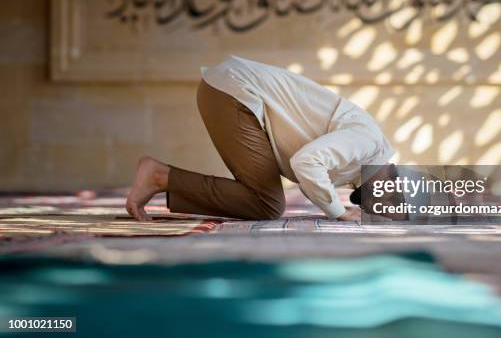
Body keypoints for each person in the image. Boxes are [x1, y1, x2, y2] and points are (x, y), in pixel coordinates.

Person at [126, 56, 396, 222]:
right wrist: (339, 213)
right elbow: (306, 163)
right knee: (268, 203)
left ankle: (163, 178)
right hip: (235, 91)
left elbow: (308, 182)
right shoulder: (368, 141)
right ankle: (160, 176)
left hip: (229, 90)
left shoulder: (358, 166)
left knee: (266, 203)